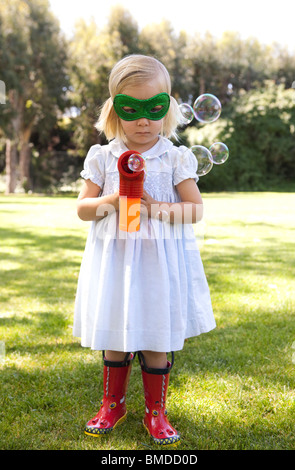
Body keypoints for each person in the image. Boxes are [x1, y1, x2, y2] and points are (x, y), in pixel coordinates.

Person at [73, 54, 216, 446]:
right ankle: (112, 404)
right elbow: (84, 210)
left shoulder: (174, 157)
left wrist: (157, 209)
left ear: (167, 107)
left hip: (159, 263)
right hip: (116, 261)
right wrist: (115, 200)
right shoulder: (102, 156)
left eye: (153, 109)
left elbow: (196, 210)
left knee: (156, 337)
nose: (142, 121)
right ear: (114, 109)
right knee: (116, 336)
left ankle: (157, 413)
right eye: (130, 108)